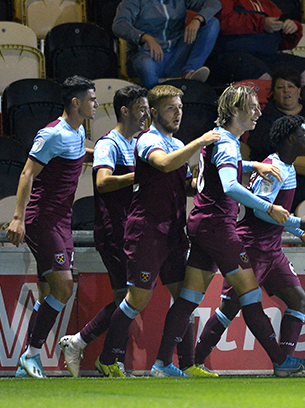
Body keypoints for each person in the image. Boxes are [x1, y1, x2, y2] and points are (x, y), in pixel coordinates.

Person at [153, 85, 305, 377]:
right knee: (249, 295)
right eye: (252, 107)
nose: (258, 112)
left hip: (203, 223)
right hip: (218, 227)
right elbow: (230, 186)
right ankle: (281, 361)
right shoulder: (229, 144)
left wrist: (252, 164)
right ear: (235, 110)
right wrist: (271, 209)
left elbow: (222, 172)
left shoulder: (219, 140)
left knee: (190, 298)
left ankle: (164, 363)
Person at [93, 85, 221, 377]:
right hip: (147, 230)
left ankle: (182, 363)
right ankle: (107, 358)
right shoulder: (147, 140)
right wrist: (199, 142)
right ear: (152, 112)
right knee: (136, 299)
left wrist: (209, 177)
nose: (178, 114)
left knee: (185, 297)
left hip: (174, 230)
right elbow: (162, 165)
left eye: (180, 108)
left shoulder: (176, 143)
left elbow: (186, 185)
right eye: (170, 108)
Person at [192, 114, 305, 374]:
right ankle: (194, 360)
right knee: (230, 308)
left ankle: (285, 363)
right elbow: (261, 211)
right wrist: (298, 221)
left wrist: (298, 232)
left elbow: (275, 213)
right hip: (253, 247)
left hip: (273, 250)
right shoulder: (272, 167)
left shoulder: (288, 167)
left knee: (298, 300)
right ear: (290, 138)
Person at [7, 76, 98, 378]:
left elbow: (78, 150)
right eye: (91, 99)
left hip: (62, 220)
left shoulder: (77, 130)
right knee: (64, 286)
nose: (96, 103)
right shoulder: (51, 134)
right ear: (76, 102)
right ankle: (31, 355)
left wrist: (104, 154)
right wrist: (18, 218)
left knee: (50, 292)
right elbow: (27, 173)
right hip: (43, 219)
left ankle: (26, 362)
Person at [58, 85, 149, 378]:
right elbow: (103, 182)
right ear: (125, 111)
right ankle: (87, 345)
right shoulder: (109, 144)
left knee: (129, 298)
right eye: (141, 108)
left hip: (130, 229)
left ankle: (108, 357)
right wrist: (140, 175)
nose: (146, 113)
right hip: (113, 229)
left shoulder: (136, 143)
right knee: (130, 298)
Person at [248, 67, 305, 207]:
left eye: (291, 86)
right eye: (280, 87)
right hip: (286, 176)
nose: (286, 91)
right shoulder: (267, 117)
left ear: (299, 91)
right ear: (274, 93)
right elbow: (257, 144)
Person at [112, 0, 222, 89]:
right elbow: (119, 24)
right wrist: (145, 37)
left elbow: (215, 3)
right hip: (147, 55)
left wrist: (198, 19)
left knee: (212, 23)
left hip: (176, 53)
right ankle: (155, 102)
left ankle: (189, 71)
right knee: (145, 64)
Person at [207, 0, 305, 86]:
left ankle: (296, 109)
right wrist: (261, 23)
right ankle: (268, 110)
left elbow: (283, 44)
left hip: (265, 56)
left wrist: (293, 29)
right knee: (261, 74)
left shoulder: (269, 5)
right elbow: (223, 23)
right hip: (230, 55)